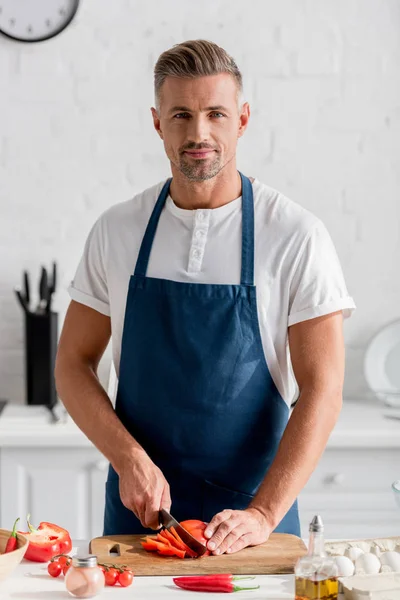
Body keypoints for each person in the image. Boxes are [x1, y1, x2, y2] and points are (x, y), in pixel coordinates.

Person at [55, 39, 356, 556]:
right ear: (157, 123)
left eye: (215, 113)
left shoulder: (296, 236)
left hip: (253, 523)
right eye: (181, 115)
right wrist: (128, 459)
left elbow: (323, 391)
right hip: (139, 516)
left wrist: (262, 514)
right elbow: (72, 362)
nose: (199, 133)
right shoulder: (116, 230)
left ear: (241, 120)